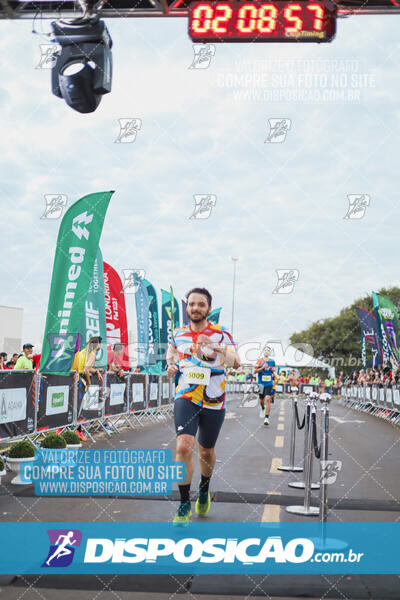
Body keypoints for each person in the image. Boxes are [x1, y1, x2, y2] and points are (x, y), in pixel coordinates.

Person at [166, 287, 240, 526]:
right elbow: (171, 359)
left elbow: (236, 363)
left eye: (201, 304)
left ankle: (204, 488)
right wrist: (171, 367)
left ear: (208, 308)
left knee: (206, 451)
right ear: (187, 308)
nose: (195, 308)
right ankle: (184, 503)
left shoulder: (221, 334)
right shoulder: (178, 334)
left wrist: (215, 347)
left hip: (213, 399)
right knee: (183, 445)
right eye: (191, 304)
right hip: (186, 395)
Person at [71, 336, 103, 442]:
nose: (100, 346)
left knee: (75, 406)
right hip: (81, 382)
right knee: (80, 408)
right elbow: (86, 369)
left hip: (74, 380)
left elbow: (86, 366)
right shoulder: (92, 354)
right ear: (97, 345)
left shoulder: (83, 351)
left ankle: (71, 430)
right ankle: (78, 431)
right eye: (100, 343)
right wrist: (89, 383)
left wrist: (96, 371)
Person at [254, 346, 276, 426]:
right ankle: (262, 408)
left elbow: (274, 369)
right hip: (261, 383)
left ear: (269, 353)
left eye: (268, 351)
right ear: (263, 352)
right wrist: (262, 367)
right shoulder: (259, 361)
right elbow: (254, 371)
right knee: (261, 400)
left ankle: (266, 418)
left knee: (267, 399)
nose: (267, 352)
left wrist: (273, 370)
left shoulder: (272, 361)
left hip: (269, 383)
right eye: (265, 350)